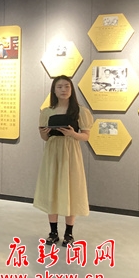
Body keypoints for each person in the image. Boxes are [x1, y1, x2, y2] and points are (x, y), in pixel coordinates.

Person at [34, 75, 93, 247]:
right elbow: (44, 137)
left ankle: (69, 233)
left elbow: (86, 136)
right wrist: (44, 132)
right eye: (59, 87)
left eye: (67, 86)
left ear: (71, 89)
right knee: (52, 188)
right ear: (54, 90)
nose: (63, 90)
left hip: (70, 152)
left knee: (70, 189)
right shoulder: (47, 112)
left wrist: (72, 134)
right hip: (52, 152)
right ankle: (53, 232)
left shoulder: (80, 111)